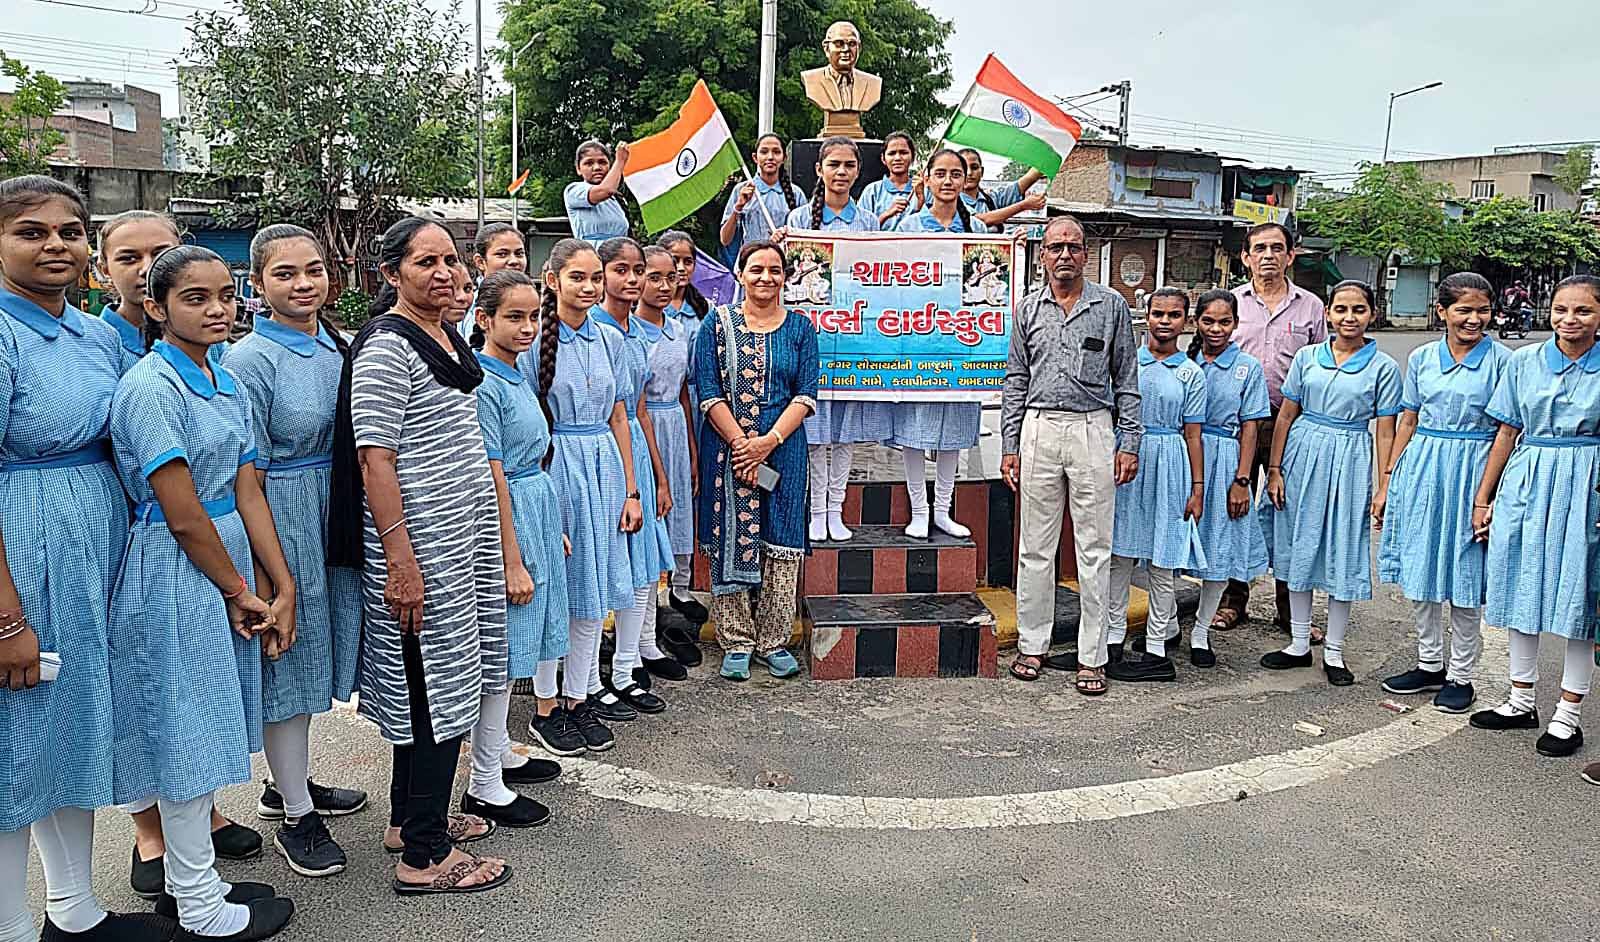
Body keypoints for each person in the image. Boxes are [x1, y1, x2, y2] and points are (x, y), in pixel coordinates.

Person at [0, 176, 178, 942]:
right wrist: (7, 621)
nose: (55, 246)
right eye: (30, 231)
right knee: (15, 747)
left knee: (69, 732)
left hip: (91, 547)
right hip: (24, 546)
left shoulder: (94, 334)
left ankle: (73, 912)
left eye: (69, 232)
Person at [110, 243, 298, 939]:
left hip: (227, 559)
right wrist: (237, 589)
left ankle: (195, 879)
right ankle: (198, 903)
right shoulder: (151, 387)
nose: (218, 309)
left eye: (225, 294)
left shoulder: (224, 378)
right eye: (196, 298)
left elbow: (247, 490)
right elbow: (183, 513)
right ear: (156, 308)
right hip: (175, 565)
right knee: (184, 730)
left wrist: (281, 583)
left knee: (208, 722)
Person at [327, 216, 511, 896]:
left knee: (442, 681)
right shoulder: (386, 347)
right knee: (433, 686)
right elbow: (374, 459)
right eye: (425, 262)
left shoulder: (444, 333)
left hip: (459, 539)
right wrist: (400, 562)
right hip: (419, 546)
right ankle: (426, 857)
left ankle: (409, 820)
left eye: (451, 260)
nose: (444, 273)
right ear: (391, 273)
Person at [222, 225, 368, 880]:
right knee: (288, 659)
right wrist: (264, 571)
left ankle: (289, 784)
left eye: (313, 270)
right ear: (257, 285)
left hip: (332, 510)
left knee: (314, 660)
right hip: (283, 516)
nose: (303, 284)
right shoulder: (250, 360)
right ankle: (297, 816)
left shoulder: (335, 344)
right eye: (285, 274)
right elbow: (245, 475)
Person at [1001, 215, 1141, 694]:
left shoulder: (1111, 306)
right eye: (1056, 246)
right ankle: (1032, 644)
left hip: (1092, 428)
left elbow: (1127, 379)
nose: (1065, 254)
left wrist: (1129, 442)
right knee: (1034, 547)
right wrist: (1010, 445)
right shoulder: (1027, 309)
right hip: (1039, 426)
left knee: (1094, 548)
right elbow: (1016, 380)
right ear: (1042, 255)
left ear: (1086, 254)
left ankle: (1092, 656)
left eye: (1074, 247)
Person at [518, 238, 642, 756]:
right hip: (556, 466)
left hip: (604, 468)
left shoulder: (609, 338)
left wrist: (631, 491)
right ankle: (545, 705)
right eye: (577, 277)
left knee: (596, 586)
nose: (589, 287)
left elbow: (620, 416)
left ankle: (578, 696)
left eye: (595, 277)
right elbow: (526, 423)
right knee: (558, 592)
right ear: (552, 281)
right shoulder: (532, 341)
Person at [1468, 274, 1600, 759]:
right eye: (1562, 309)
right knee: (1519, 585)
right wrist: (1484, 497)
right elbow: (1506, 431)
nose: (1570, 319)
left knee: (1580, 597)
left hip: (1587, 482)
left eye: (1583, 311)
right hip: (1528, 479)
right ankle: (1520, 699)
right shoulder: (1524, 361)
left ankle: (1568, 715)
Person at [1376, 273, 1509, 714]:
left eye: (1482, 310)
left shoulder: (1503, 362)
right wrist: (1389, 480)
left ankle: (1461, 675)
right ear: (1442, 311)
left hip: (1475, 470)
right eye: (1463, 310)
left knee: (1464, 574)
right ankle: (1429, 662)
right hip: (1424, 468)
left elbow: (1508, 431)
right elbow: (1408, 420)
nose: (1474, 319)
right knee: (1421, 566)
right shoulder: (1422, 358)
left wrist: (1491, 494)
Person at [463, 269, 567, 826]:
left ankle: (499, 749)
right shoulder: (483, 383)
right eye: (514, 317)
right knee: (501, 654)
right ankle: (483, 782)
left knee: (519, 643)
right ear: (484, 319)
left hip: (534, 508)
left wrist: (551, 529)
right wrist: (511, 558)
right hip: (509, 518)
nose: (528, 328)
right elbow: (492, 474)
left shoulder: (515, 372)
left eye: (534, 317)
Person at [1261, 280, 1400, 686]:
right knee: (1298, 546)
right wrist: (1275, 469)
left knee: (1344, 550)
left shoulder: (1383, 367)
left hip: (1350, 458)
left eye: (1358, 309)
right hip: (1302, 455)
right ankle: (1298, 643)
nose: (1349, 317)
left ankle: (1335, 651)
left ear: (1372, 314)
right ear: (1327, 314)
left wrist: (1384, 485)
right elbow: (1286, 415)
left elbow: (1386, 431)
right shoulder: (1307, 357)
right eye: (1341, 309)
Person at [694, 240, 817, 682]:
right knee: (729, 533)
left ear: (785, 277)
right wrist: (741, 444)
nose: (766, 277)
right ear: (740, 274)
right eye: (757, 269)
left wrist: (766, 442)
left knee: (782, 539)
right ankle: (736, 640)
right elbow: (708, 390)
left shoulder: (800, 328)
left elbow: (806, 394)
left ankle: (773, 641)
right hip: (726, 447)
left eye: (775, 270)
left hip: (783, 447)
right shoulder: (716, 324)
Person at [1217, 222, 1327, 637]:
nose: (1268, 256)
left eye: (1277, 248)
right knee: (1235, 507)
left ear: (1290, 255)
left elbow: (1320, 364)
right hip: (1238, 423)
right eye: (1260, 248)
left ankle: (1288, 608)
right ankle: (1232, 600)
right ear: (1245, 257)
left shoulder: (1311, 307)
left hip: (1290, 423)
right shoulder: (1233, 303)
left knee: (1287, 511)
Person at [785, 136, 891, 543]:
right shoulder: (798, 219)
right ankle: (816, 511)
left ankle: (836, 509)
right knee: (815, 431)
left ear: (858, 171)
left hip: (852, 340)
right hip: (811, 340)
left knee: (845, 433)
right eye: (834, 165)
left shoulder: (867, 222)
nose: (841, 172)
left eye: (849, 165)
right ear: (819, 170)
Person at [589, 238, 675, 717]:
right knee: (605, 566)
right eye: (620, 269)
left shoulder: (637, 332)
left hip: (636, 454)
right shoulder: (592, 329)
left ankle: (627, 667)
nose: (632, 279)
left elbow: (639, 410)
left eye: (637, 269)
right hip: (601, 456)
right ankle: (587, 677)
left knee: (643, 563)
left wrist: (658, 477)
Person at [1103, 288, 1206, 684]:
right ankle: (1112, 639)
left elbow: (1193, 434)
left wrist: (1197, 487)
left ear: (1186, 321)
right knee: (1120, 556)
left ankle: (1157, 646)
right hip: (1127, 458)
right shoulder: (1128, 364)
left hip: (1170, 463)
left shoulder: (1191, 374)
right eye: (1158, 313)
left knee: (1163, 561)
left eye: (1174, 315)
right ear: (1145, 317)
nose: (1165, 321)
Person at [893, 148, 988, 539]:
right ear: (927, 178)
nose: (948, 181)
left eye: (956, 174)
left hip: (962, 341)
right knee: (915, 428)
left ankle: (943, 510)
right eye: (941, 173)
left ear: (966, 180)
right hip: (918, 340)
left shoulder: (977, 229)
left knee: (955, 428)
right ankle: (919, 510)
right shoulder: (908, 227)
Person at [1184, 290, 1271, 669]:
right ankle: (1165, 625)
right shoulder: (1185, 362)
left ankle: (1201, 630)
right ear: (1196, 322)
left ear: (1236, 324)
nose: (1216, 329)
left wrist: (1242, 480)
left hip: (1224, 460)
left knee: (1220, 546)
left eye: (1225, 321)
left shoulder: (1247, 368)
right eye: (1208, 321)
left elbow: (1251, 427)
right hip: (1184, 456)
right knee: (1174, 541)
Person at [632, 247, 697, 681]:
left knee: (672, 531)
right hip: (645, 428)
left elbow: (685, 392)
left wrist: (690, 448)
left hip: (674, 424)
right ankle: (639, 640)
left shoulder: (678, 328)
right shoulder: (628, 332)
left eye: (669, 277)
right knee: (647, 535)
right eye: (652, 277)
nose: (662, 285)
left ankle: (659, 623)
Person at [653, 231, 712, 649]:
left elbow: (693, 380)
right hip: (649, 419)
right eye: (670, 262)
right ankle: (654, 593)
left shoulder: (697, 315)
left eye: (686, 262)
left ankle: (681, 586)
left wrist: (693, 447)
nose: (678, 271)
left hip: (685, 413)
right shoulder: (634, 323)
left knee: (684, 500)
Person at [719, 134, 804, 258]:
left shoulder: (796, 193)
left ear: (784, 158)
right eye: (764, 152)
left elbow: (804, 238)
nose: (770, 157)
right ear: (755, 157)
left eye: (776, 152)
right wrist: (738, 207)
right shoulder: (742, 190)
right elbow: (725, 239)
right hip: (751, 261)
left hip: (782, 263)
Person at [460, 222, 527, 342]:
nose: (514, 261)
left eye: (519, 254)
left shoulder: (536, 304)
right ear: (480, 262)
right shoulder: (465, 306)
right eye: (502, 254)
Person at [956, 148, 1049, 231]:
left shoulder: (990, 200)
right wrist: (1024, 205)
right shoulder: (953, 202)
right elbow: (982, 220)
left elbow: (1026, 180)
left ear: (982, 172)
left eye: (974, 167)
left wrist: (1047, 159)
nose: (969, 173)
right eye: (964, 168)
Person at [564, 140, 631, 243]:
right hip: (592, 251)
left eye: (602, 162)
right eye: (589, 163)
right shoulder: (573, 190)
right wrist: (620, 161)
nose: (597, 168)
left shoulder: (616, 199)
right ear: (578, 169)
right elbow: (605, 190)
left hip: (619, 251)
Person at [858, 131, 923, 229]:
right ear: (883, 159)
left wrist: (921, 200)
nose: (897, 158)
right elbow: (861, 229)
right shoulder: (872, 191)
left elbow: (931, 226)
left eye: (903, 152)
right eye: (892, 153)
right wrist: (887, 214)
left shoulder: (923, 189)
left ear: (913, 156)